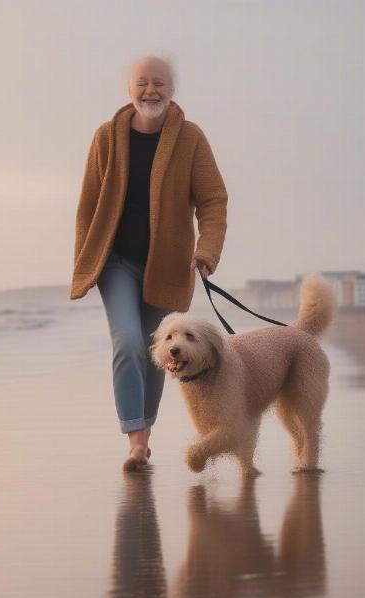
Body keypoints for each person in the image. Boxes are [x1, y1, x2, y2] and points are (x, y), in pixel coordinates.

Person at [70, 55, 228, 471]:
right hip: (116, 262)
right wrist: (87, 260)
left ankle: (145, 432)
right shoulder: (106, 137)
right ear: (129, 89)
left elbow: (213, 200)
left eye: (158, 82)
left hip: (168, 264)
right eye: (142, 83)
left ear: (172, 90)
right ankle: (135, 440)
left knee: (158, 351)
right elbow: (87, 204)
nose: (150, 91)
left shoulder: (191, 139)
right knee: (127, 340)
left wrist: (208, 249)